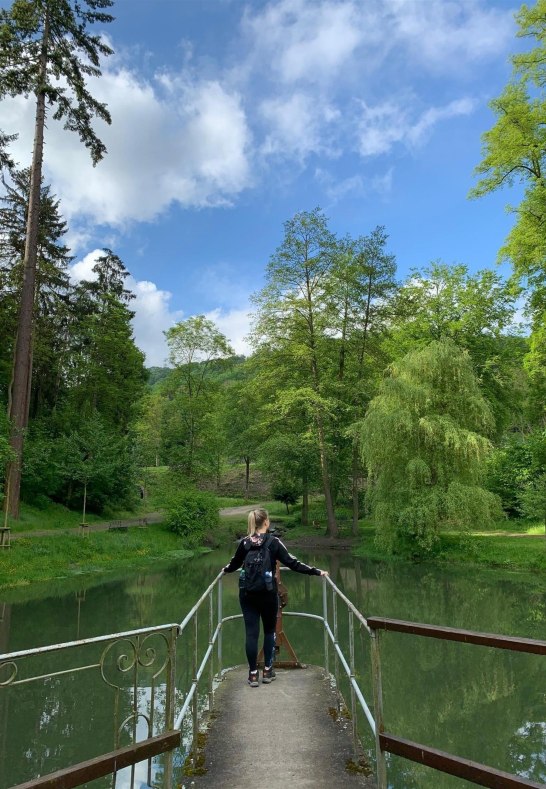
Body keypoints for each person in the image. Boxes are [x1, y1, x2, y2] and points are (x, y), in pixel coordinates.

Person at [223, 508, 328, 687]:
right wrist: (316, 571)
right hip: (268, 593)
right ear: (266, 522)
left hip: (247, 593)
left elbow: (234, 564)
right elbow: (293, 563)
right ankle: (267, 671)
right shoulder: (274, 542)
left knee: (251, 633)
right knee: (269, 631)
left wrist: (225, 570)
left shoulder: (245, 542)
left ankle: (253, 674)